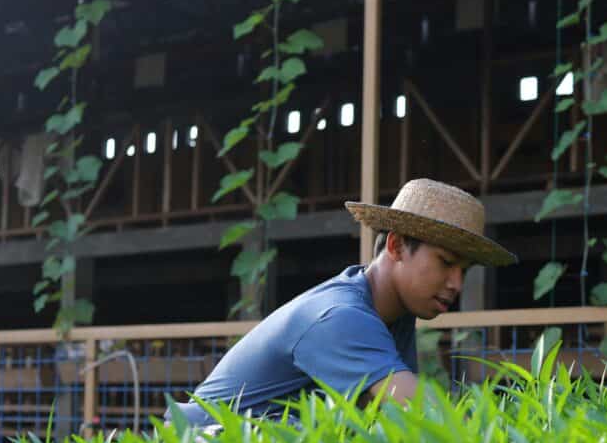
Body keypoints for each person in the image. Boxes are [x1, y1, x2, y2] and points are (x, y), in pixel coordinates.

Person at [164, 178, 517, 428]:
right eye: (445, 262)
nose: (456, 283)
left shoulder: (395, 317)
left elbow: (392, 425)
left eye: (464, 270)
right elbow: (427, 416)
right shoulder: (340, 316)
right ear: (395, 246)